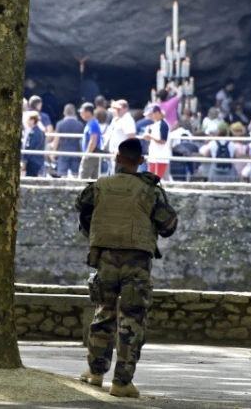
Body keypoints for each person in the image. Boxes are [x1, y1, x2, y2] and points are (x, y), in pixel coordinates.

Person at [76, 138, 178, 399]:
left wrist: (95, 232)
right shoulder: (151, 190)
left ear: (117, 158)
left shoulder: (98, 186)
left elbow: (82, 209)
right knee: (132, 318)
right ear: (141, 160)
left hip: (105, 257)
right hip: (137, 262)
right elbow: (168, 226)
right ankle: (122, 382)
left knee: (103, 313)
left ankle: (95, 372)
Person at [51, 104, 85, 179]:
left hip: (63, 151)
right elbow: (82, 141)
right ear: (74, 113)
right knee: (76, 174)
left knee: (63, 174)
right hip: (76, 151)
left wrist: (53, 153)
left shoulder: (60, 124)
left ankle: (62, 190)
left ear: (64, 113)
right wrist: (82, 152)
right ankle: (77, 190)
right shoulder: (80, 125)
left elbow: (57, 139)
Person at [105, 100, 136, 174]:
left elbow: (131, 137)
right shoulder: (120, 119)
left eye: (119, 109)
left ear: (126, 109)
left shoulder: (127, 120)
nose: (117, 111)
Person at [143, 104, 171, 180]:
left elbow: (163, 140)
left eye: (151, 114)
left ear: (157, 113)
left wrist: (150, 137)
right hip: (154, 157)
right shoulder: (155, 125)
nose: (150, 116)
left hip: (160, 158)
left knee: (155, 180)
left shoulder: (163, 125)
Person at [79, 103, 104, 180]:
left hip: (91, 155)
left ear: (88, 113)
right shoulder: (91, 123)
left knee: (83, 177)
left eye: (82, 112)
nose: (81, 114)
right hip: (93, 154)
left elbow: (93, 140)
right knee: (94, 178)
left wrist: (87, 154)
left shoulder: (92, 124)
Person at [22, 111, 45, 177]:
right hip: (39, 160)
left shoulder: (32, 133)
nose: (26, 122)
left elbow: (28, 147)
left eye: (28, 120)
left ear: (32, 120)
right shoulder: (40, 132)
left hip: (32, 161)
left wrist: (24, 161)